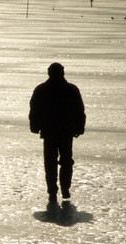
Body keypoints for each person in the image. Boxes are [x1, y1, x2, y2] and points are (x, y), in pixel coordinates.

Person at [29, 62, 86, 203]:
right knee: (66, 161)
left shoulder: (42, 89)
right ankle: (64, 189)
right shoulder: (71, 89)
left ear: (49, 73)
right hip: (65, 131)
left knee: (50, 162)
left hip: (50, 131)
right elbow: (79, 111)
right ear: (62, 73)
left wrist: (34, 126)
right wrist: (79, 127)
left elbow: (34, 110)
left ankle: (53, 191)